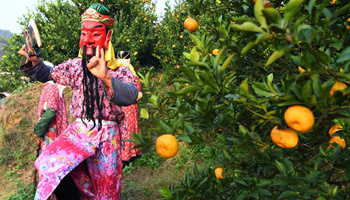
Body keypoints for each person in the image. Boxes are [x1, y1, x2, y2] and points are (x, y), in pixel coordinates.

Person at [18, 3, 139, 200]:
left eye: (96, 34)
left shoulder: (119, 71)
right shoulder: (75, 67)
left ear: (107, 37)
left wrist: (106, 77)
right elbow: (48, 73)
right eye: (84, 33)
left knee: (106, 193)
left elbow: (131, 95)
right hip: (80, 131)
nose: (88, 40)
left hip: (109, 136)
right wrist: (35, 61)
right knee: (48, 163)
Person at [116, 51, 143, 168]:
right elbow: (139, 93)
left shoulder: (116, 75)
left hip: (124, 105)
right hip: (127, 106)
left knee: (126, 129)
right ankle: (129, 154)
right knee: (128, 129)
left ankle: (127, 155)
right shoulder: (132, 75)